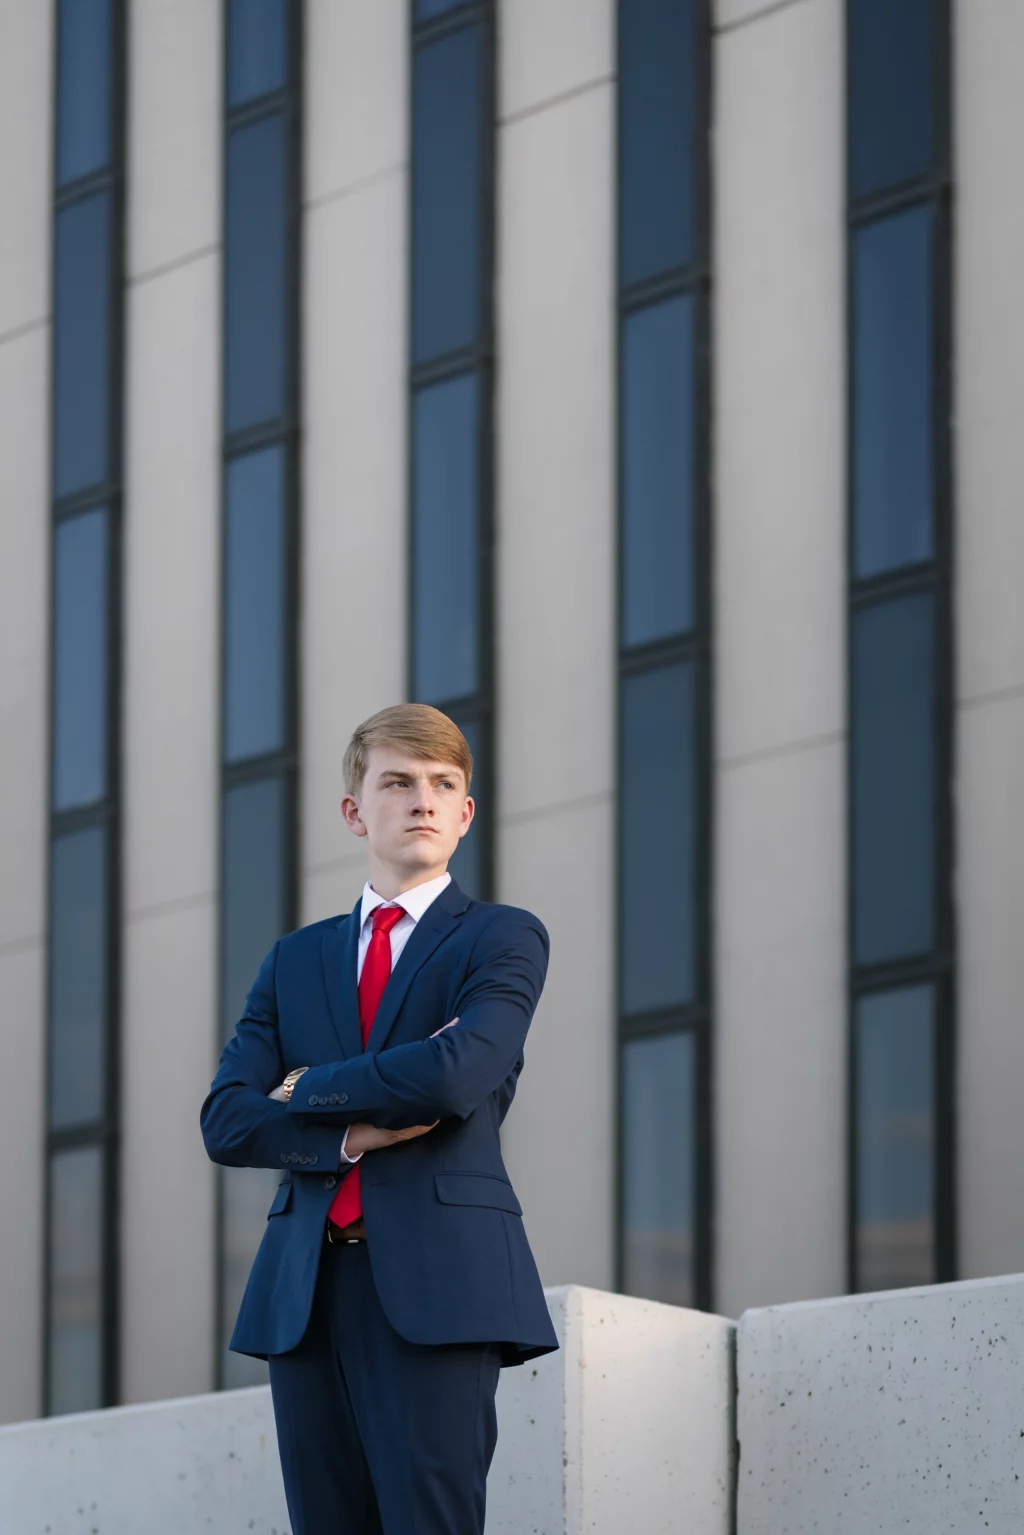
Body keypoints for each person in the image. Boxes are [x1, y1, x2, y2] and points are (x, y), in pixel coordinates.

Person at [201, 703, 557, 1535]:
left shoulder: (503, 937)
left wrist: (307, 1085)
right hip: (307, 1291)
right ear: (355, 810)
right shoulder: (295, 959)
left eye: (443, 784)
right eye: (397, 781)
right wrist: (353, 1130)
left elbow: (454, 1074)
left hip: (440, 1286)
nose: (422, 800)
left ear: (466, 813)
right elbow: (226, 1120)